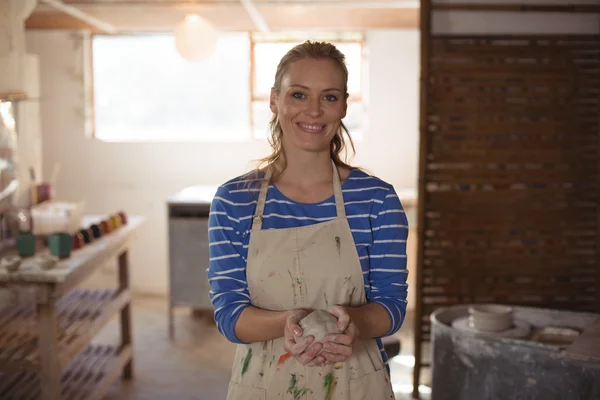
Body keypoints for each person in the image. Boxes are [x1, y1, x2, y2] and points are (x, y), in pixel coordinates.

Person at [207, 40, 408, 399]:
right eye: (298, 95)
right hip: (264, 386)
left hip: (357, 386)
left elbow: (391, 307)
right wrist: (289, 322)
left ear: (344, 106)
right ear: (274, 100)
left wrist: (352, 324)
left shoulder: (376, 200)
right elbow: (228, 314)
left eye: (329, 97)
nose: (313, 111)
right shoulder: (235, 201)